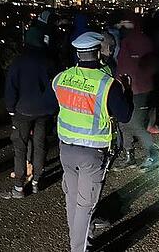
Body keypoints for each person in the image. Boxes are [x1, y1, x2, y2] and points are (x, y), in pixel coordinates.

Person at [55, 32, 133, 252]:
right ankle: (78, 248)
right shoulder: (107, 84)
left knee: (72, 200)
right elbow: (124, 115)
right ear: (98, 52)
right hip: (92, 153)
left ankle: (81, 242)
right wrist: (127, 91)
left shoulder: (61, 78)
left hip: (66, 149)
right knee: (85, 206)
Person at [1, 25, 58, 199]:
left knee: (20, 146)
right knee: (40, 145)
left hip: (23, 110)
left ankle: (19, 187)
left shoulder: (19, 61)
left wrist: (11, 109)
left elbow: (11, 88)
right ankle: (36, 182)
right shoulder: (50, 61)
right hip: (45, 111)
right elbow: (56, 85)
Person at [114, 14, 159, 171]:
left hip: (139, 90)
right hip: (127, 89)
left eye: (127, 22)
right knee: (123, 123)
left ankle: (154, 156)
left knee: (136, 125)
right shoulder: (128, 41)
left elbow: (148, 65)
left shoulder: (142, 42)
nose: (123, 25)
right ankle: (129, 156)